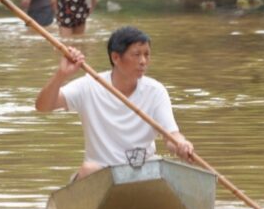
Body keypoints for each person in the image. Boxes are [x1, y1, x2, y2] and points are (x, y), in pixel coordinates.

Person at [35, 26, 194, 182]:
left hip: (142, 172)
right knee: (89, 169)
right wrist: (61, 75)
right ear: (115, 58)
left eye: (147, 55)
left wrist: (181, 144)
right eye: (137, 55)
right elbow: (43, 106)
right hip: (102, 175)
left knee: (164, 169)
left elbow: (171, 136)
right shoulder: (89, 86)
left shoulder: (155, 91)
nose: (143, 61)